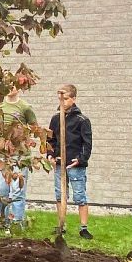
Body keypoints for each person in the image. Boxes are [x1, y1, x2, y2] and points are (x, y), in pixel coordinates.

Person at [46, 84, 93, 239]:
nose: (63, 102)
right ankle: (61, 225)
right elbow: (50, 140)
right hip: (60, 163)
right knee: (60, 195)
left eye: (65, 99)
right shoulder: (55, 119)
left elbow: (87, 143)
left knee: (79, 195)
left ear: (73, 99)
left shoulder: (82, 120)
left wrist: (80, 159)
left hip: (75, 164)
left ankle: (83, 228)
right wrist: (50, 155)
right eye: (60, 99)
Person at [0, 85, 37, 232]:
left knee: (17, 191)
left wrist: (22, 134)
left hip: (20, 156)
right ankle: (0, 221)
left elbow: (34, 127)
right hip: (2, 154)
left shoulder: (25, 107)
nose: (11, 88)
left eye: (14, 86)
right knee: (1, 190)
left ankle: (16, 223)